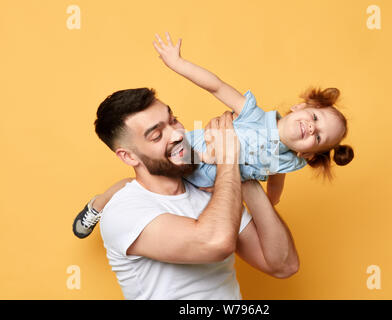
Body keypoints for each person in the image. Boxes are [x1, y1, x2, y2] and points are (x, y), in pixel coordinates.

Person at [73, 32, 354, 238]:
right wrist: (178, 63)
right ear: (301, 107)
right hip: (186, 156)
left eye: (318, 137)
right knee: (130, 187)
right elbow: (217, 87)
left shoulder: (290, 161)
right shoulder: (254, 115)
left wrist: (270, 203)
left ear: (307, 153)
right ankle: (99, 204)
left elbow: (276, 183)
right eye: (315, 118)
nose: (311, 128)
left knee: (194, 216)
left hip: (211, 187)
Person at [77, 86, 300, 299]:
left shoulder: (214, 190)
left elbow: (283, 265)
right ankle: (98, 205)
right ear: (129, 157)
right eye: (156, 136)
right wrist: (229, 158)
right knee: (121, 189)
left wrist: (245, 172)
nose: (176, 134)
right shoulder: (123, 211)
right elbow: (215, 243)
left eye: (173, 120)